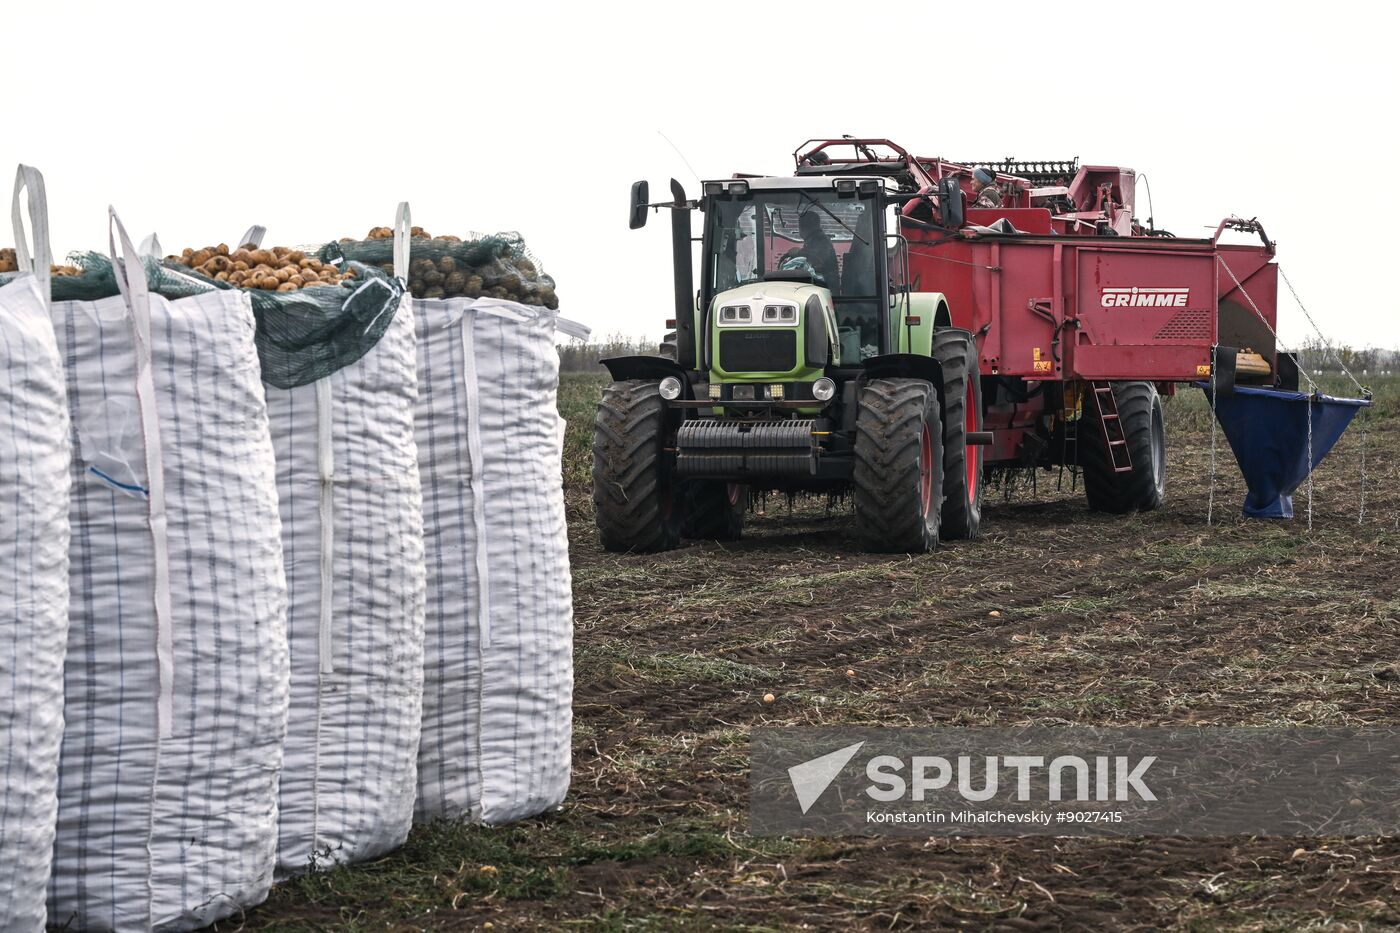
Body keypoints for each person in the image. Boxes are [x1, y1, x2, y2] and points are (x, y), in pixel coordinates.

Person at [792, 210, 840, 290]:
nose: (800, 229)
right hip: (817, 287)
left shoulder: (822, 241)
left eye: (802, 225)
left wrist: (798, 253)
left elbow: (816, 257)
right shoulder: (812, 241)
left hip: (827, 292)